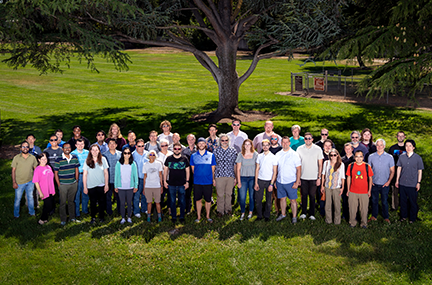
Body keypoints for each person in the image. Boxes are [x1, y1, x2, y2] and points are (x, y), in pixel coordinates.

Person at [395, 139, 424, 223]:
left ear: (413, 147)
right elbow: (399, 168)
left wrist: (418, 183)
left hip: (412, 184)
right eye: (406, 145)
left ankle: (412, 218)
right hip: (402, 183)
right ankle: (403, 216)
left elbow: (420, 171)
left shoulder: (418, 158)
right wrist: (397, 180)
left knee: (412, 202)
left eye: (410, 146)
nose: (408, 147)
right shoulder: (401, 157)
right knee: (403, 201)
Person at [297, 132, 323, 221]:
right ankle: (303, 212)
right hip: (303, 176)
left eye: (309, 138)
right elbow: (298, 164)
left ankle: (312, 213)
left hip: (314, 177)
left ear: (312, 139)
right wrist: (298, 178)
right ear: (304, 139)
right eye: (306, 138)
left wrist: (319, 177)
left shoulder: (318, 149)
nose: (307, 140)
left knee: (312, 196)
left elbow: (320, 164)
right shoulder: (299, 149)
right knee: (304, 195)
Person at [275, 137, 301, 223]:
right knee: (282, 199)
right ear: (281, 143)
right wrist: (275, 181)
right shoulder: (278, 154)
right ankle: (283, 214)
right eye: (283, 142)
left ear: (289, 143)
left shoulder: (294, 154)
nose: (285, 144)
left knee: (293, 200)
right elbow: (275, 169)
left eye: (287, 142)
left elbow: (299, 169)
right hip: (280, 181)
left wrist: (297, 182)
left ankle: (294, 216)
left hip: (290, 181)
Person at [368, 139, 395, 224]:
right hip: (374, 183)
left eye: (381, 145)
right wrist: (370, 181)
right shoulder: (371, 156)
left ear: (384, 146)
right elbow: (369, 170)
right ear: (376, 146)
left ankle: (386, 217)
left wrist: (388, 182)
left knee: (384, 201)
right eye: (378, 145)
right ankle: (374, 216)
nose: (379, 147)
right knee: (374, 201)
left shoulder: (390, 157)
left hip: (385, 184)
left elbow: (392, 171)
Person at [190, 137, 216, 223]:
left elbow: (213, 169)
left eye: (203, 143)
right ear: (197, 145)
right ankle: (198, 216)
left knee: (208, 200)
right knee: (198, 200)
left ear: (206, 144)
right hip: (197, 182)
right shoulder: (193, 156)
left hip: (208, 181)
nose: (201, 145)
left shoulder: (211, 155)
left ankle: (208, 216)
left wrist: (212, 179)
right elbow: (193, 169)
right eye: (199, 143)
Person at [346, 150, 373, 228]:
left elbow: (370, 179)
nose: (358, 158)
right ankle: (352, 223)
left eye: (360, 156)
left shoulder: (367, 166)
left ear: (363, 157)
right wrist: (348, 190)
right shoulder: (350, 166)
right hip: (353, 191)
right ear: (354, 157)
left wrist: (369, 190)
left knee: (364, 209)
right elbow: (349, 178)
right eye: (357, 156)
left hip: (364, 192)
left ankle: (364, 223)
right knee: (352, 208)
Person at [164, 142, 190, 224]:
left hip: (182, 184)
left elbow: (187, 171)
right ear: (173, 149)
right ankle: (174, 216)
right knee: (172, 201)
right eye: (175, 149)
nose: (177, 150)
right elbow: (165, 170)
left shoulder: (184, 159)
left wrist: (187, 182)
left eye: (179, 149)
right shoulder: (169, 159)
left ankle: (182, 216)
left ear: (181, 150)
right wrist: (164, 181)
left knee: (182, 201)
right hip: (171, 184)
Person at [54, 143, 80, 225]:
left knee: (71, 202)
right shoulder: (58, 159)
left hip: (73, 184)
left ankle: (72, 217)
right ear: (62, 149)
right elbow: (56, 173)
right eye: (65, 148)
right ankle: (63, 219)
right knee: (62, 203)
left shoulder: (74, 157)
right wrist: (59, 184)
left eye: (69, 147)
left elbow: (76, 169)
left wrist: (76, 180)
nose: (67, 149)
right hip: (63, 185)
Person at [83, 144, 109, 224]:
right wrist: (85, 187)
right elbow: (85, 174)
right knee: (93, 202)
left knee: (102, 202)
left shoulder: (103, 159)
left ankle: (101, 217)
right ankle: (93, 217)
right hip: (91, 185)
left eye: (96, 150)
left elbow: (106, 172)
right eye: (93, 150)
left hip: (101, 185)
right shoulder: (87, 161)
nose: (94, 151)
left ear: (99, 151)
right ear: (90, 151)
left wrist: (106, 184)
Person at [12, 141, 38, 218]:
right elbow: (13, 170)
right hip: (19, 182)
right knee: (17, 199)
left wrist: (36, 180)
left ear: (29, 148)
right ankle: (16, 214)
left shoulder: (32, 157)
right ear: (20, 148)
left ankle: (32, 212)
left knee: (30, 197)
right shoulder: (16, 158)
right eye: (23, 147)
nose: (25, 148)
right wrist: (14, 182)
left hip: (30, 181)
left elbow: (36, 169)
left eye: (27, 147)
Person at [213, 134, 237, 217]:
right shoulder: (215, 151)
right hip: (219, 175)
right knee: (220, 194)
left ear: (228, 141)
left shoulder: (233, 151)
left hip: (230, 175)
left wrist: (235, 177)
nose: (224, 142)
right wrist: (213, 178)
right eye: (222, 140)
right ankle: (220, 210)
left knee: (229, 194)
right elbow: (213, 165)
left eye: (226, 140)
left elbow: (235, 164)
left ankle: (228, 209)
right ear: (220, 141)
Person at [254, 139, 278, 222]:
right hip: (260, 180)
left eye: (267, 145)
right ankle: (259, 215)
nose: (265, 147)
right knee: (258, 199)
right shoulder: (259, 156)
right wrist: (256, 182)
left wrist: (271, 184)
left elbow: (275, 172)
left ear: (269, 146)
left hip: (269, 181)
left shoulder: (273, 157)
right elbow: (257, 169)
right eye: (263, 145)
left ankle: (267, 215)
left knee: (268, 200)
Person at [321, 149, 345, 224]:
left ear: (337, 155)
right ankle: (328, 220)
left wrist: (342, 187)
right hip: (327, 187)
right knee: (327, 204)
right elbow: (323, 174)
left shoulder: (341, 164)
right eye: (331, 155)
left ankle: (337, 221)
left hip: (336, 187)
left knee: (337, 205)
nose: (333, 157)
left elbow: (343, 177)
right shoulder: (326, 163)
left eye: (335, 155)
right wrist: (322, 185)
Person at [114, 147, 138, 224]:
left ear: (130, 154)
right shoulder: (118, 164)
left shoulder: (133, 164)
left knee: (129, 202)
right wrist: (116, 186)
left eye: (128, 153)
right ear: (123, 154)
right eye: (125, 153)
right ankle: (123, 217)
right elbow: (116, 175)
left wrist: (135, 186)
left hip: (130, 187)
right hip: (121, 187)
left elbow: (135, 175)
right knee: (122, 203)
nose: (127, 155)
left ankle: (129, 217)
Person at [236, 139, 258, 220]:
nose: (247, 146)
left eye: (249, 144)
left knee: (252, 196)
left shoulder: (256, 154)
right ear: (243, 146)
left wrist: (256, 182)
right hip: (243, 178)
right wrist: (239, 181)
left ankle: (250, 212)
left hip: (252, 178)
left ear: (252, 145)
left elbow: (257, 168)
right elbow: (238, 169)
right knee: (242, 197)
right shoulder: (240, 155)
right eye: (246, 144)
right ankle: (242, 212)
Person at [32, 152, 55, 225]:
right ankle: (41, 219)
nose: (44, 160)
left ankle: (45, 219)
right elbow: (36, 182)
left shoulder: (48, 167)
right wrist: (40, 192)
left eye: (45, 159)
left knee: (49, 205)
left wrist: (53, 190)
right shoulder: (38, 169)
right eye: (42, 159)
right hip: (44, 190)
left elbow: (51, 179)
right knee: (48, 205)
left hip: (50, 189)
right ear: (39, 160)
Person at [143, 150, 163, 223]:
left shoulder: (158, 164)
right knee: (149, 202)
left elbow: (160, 175)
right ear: (148, 155)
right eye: (150, 154)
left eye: (153, 154)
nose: (152, 156)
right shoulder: (145, 164)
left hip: (157, 186)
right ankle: (148, 216)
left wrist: (161, 185)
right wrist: (144, 187)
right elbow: (145, 177)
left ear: (155, 156)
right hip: (148, 186)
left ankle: (159, 216)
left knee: (157, 202)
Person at [102, 139, 121, 216]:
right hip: (108, 179)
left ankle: (120, 211)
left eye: (114, 143)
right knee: (108, 197)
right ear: (108, 145)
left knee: (119, 197)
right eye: (110, 143)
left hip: (118, 179)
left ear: (116, 145)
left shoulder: (120, 154)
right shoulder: (104, 155)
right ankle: (109, 211)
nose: (112, 145)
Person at [71, 139, 90, 218]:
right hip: (77, 175)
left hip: (86, 175)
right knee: (77, 194)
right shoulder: (73, 154)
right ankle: (77, 211)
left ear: (84, 144)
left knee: (85, 192)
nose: (80, 146)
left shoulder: (87, 153)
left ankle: (85, 210)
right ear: (75, 145)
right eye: (78, 144)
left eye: (82, 144)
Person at [388, 131, 406, 211]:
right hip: (394, 171)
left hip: (405, 172)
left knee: (404, 190)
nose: (400, 137)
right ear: (396, 137)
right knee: (394, 190)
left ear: (405, 137)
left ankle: (403, 205)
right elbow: (388, 160)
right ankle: (394, 206)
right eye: (399, 136)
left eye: (402, 136)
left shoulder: (407, 147)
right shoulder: (392, 148)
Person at [132, 138, 149, 218]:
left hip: (146, 178)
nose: (141, 148)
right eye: (139, 146)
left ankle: (144, 208)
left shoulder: (148, 154)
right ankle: (136, 211)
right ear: (136, 146)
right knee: (136, 195)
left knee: (145, 194)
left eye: (142, 146)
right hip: (137, 178)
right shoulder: (132, 155)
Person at [182, 134, 197, 213]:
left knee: (196, 193)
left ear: (194, 140)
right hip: (187, 175)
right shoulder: (183, 151)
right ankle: (188, 208)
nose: (190, 141)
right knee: (187, 193)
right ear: (187, 141)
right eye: (189, 139)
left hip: (196, 174)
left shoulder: (198, 150)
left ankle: (196, 208)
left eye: (192, 139)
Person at [341, 143, 355, 221]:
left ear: (352, 149)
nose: (347, 150)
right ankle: (345, 214)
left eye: (349, 149)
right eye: (346, 149)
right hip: (345, 182)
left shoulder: (355, 159)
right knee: (345, 199)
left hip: (354, 182)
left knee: (353, 200)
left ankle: (353, 215)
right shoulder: (342, 159)